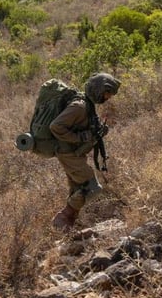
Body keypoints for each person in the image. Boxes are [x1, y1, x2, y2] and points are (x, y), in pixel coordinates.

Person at [48, 72, 121, 232]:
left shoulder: (87, 105)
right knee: (91, 187)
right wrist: (80, 137)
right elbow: (55, 126)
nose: (108, 97)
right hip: (68, 153)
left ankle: (68, 225)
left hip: (74, 153)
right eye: (107, 93)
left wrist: (97, 132)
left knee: (77, 188)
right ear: (97, 89)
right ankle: (62, 218)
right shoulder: (79, 107)